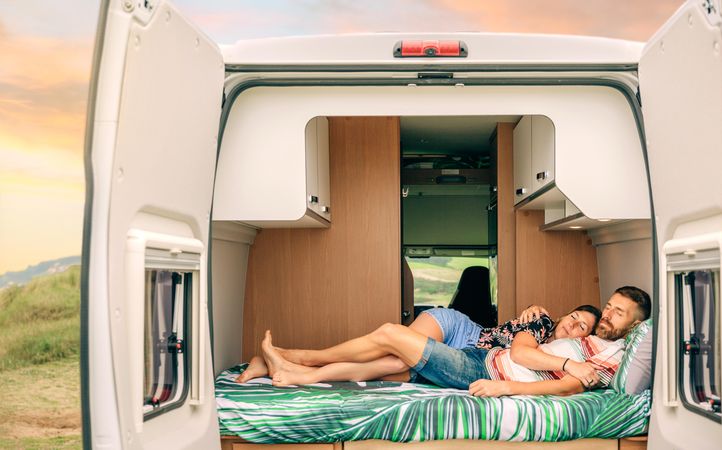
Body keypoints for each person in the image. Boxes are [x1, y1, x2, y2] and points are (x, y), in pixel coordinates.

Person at [261, 286, 651, 398]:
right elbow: (529, 353)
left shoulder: (611, 355)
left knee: (388, 345)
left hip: (479, 364)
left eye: (618, 313)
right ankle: (293, 365)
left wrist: (505, 388)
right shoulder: (556, 330)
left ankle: (293, 366)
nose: (605, 315)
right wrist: (565, 360)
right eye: (608, 307)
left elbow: (568, 387)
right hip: (476, 348)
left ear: (636, 326)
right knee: (389, 356)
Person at [236, 303, 601, 384]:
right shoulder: (538, 322)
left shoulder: (560, 350)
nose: (572, 325)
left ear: (586, 337)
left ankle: (272, 363)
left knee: (396, 365)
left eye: (581, 326)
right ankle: (292, 356)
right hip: (461, 331)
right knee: (390, 341)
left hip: (465, 353)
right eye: (573, 317)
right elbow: (521, 353)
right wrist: (569, 366)